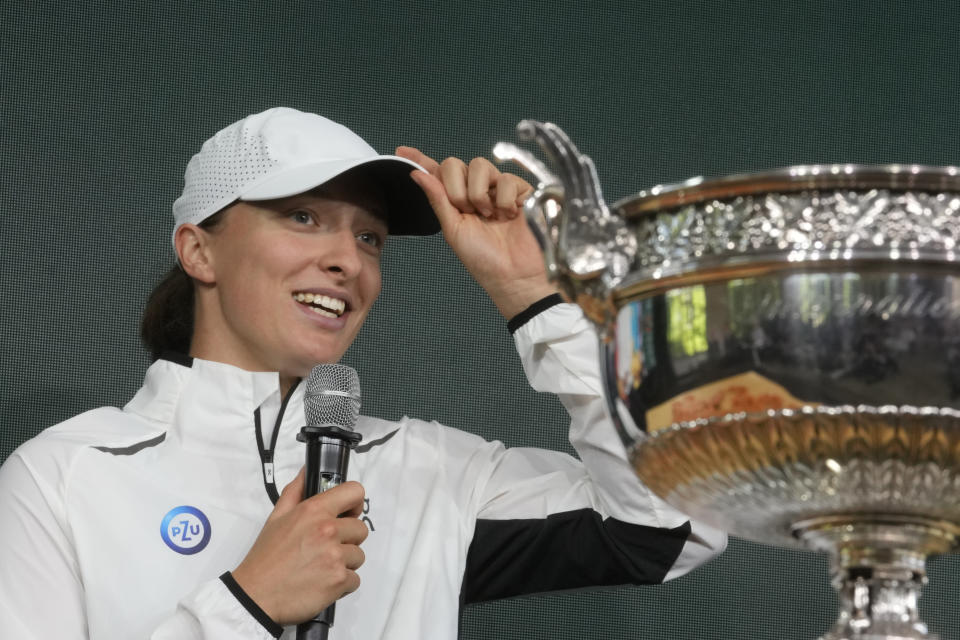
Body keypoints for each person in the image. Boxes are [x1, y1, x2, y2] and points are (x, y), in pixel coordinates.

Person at [0, 107, 726, 639]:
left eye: (369, 236)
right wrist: (245, 605)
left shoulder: (433, 472)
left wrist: (536, 298)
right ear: (199, 252)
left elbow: (673, 522)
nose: (348, 259)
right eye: (304, 217)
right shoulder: (65, 476)